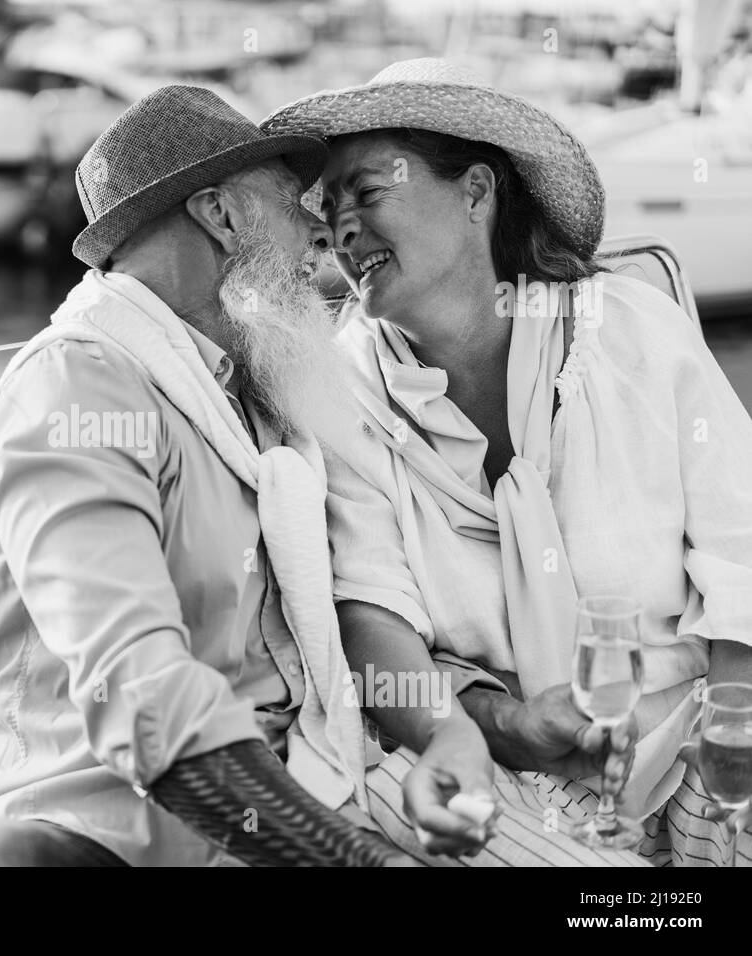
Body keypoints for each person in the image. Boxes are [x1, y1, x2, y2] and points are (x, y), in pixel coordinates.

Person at [0, 84, 433, 867]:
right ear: (220, 215)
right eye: (295, 205)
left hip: (302, 797)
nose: (320, 232)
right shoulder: (79, 393)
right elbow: (144, 693)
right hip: (104, 839)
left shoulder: (244, 396)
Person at [262, 58, 752, 866]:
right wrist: (500, 729)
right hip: (501, 759)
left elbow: (742, 554)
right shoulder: (337, 389)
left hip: (700, 724)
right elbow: (371, 612)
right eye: (329, 209)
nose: (340, 230)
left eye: (367, 193)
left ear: (476, 191)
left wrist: (731, 730)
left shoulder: (629, 330)